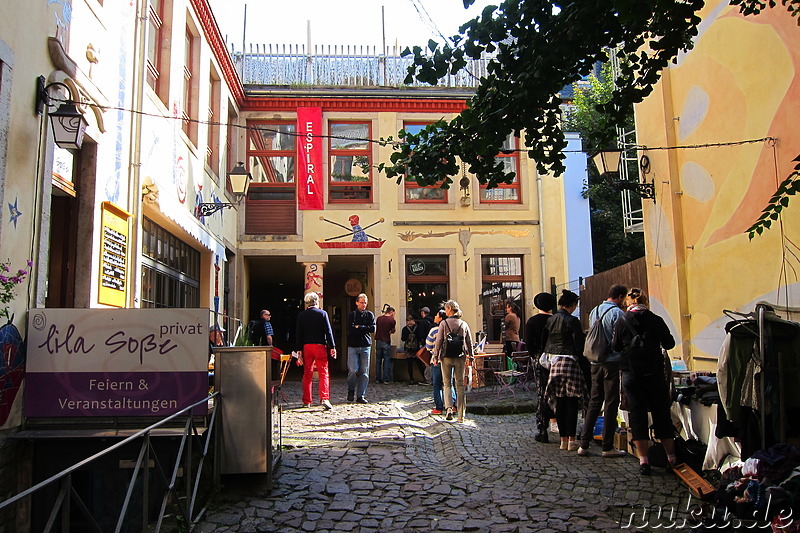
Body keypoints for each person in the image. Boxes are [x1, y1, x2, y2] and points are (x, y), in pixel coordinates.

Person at [611, 288, 677, 475]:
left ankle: (644, 461)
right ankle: (671, 459)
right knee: (661, 415)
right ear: (645, 301)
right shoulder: (656, 319)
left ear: (627, 303)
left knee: (637, 416)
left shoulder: (622, 321)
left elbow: (615, 346)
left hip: (631, 374)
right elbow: (669, 343)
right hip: (654, 374)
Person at [577, 284, 628, 458]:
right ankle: (607, 446)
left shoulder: (595, 311)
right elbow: (618, 340)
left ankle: (584, 444)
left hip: (594, 361)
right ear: (620, 297)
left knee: (594, 401)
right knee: (611, 402)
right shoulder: (618, 314)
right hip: (611, 362)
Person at [542, 289, 587, 451]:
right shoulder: (572, 320)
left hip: (554, 363)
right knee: (572, 402)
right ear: (573, 304)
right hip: (570, 362)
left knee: (560, 401)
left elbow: (545, 341)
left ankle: (562, 440)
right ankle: (572, 440)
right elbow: (580, 344)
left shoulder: (551, 319)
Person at [434, 300, 475, 423]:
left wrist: (435, 356)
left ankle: (449, 409)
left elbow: (439, 341)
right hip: (460, 357)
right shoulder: (463, 324)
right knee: (460, 385)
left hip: (446, 357)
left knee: (447, 384)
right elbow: (469, 342)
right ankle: (461, 415)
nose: (445, 311)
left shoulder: (443, 324)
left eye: (446, 309)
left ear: (450, 309)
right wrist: (471, 356)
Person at [295, 292, 337, 410]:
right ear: (317, 302)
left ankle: (307, 400)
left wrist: (299, 350)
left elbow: (299, 333)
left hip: (307, 346)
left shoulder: (302, 315)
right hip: (319, 346)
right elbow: (328, 332)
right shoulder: (322, 314)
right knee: (323, 373)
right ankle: (324, 398)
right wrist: (332, 346)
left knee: (307, 374)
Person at [525, 292, 557, 443]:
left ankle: (542, 428)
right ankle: (559, 424)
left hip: (539, 358)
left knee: (541, 392)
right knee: (558, 391)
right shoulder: (556, 320)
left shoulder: (532, 321)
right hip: (556, 358)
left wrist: (534, 356)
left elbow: (529, 343)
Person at [346, 293, 375, 404]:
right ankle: (351, 390)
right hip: (353, 345)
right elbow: (351, 329)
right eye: (361, 302)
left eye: (365, 303)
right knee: (353, 370)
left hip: (365, 345)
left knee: (364, 372)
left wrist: (360, 327)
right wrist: (364, 328)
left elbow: (372, 328)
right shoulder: (352, 315)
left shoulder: (369, 315)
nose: (363, 305)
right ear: (357, 302)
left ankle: (360, 395)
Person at [427, 310, 455, 415]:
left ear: (440, 318)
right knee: (449, 383)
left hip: (437, 360)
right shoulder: (451, 329)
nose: (434, 316)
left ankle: (439, 407)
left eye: (436, 315)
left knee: (437, 384)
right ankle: (453, 406)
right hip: (449, 359)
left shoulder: (434, 330)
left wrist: (433, 351)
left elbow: (428, 345)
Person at [401, 315, 426, 385]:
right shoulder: (417, 328)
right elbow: (420, 337)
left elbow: (403, 339)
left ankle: (411, 379)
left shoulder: (405, 329)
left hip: (408, 348)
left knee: (409, 364)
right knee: (419, 363)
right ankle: (424, 377)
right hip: (416, 348)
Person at [374, 305, 396, 384]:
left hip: (378, 341)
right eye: (393, 313)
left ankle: (377, 378)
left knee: (378, 360)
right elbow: (393, 330)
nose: (393, 315)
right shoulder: (391, 320)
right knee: (386, 360)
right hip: (386, 340)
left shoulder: (379, 319)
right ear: (391, 312)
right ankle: (386, 379)